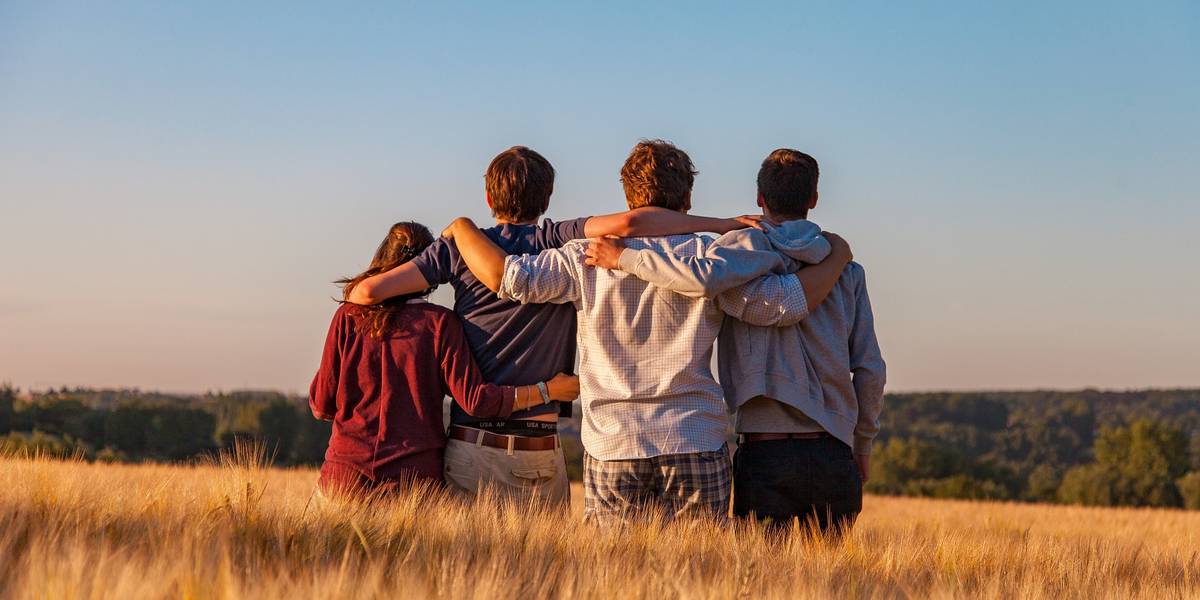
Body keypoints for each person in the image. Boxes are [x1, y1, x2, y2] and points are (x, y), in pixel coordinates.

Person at [442, 140, 851, 524]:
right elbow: (780, 306)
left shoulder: (583, 256)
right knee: (701, 575)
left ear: (628, 198)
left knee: (613, 576)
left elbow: (511, 279)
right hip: (694, 437)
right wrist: (836, 259)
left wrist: (462, 228)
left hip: (613, 443)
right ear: (687, 200)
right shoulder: (712, 257)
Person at [344, 146, 763, 507]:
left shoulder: (458, 249)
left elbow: (365, 295)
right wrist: (722, 224)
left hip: (473, 443)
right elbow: (634, 224)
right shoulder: (558, 239)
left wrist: (455, 234)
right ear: (547, 198)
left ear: (488, 196)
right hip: (541, 447)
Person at [585, 148, 886, 534]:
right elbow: (870, 369)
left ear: (760, 199)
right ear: (813, 199)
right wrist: (862, 444)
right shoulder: (847, 270)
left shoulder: (733, 259)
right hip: (833, 450)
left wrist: (626, 258)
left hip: (764, 451)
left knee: (761, 581)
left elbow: (703, 280)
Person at [309, 221, 580, 499]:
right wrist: (547, 391)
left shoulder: (348, 317)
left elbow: (321, 405)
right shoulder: (440, 324)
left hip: (344, 477)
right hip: (414, 483)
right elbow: (476, 401)